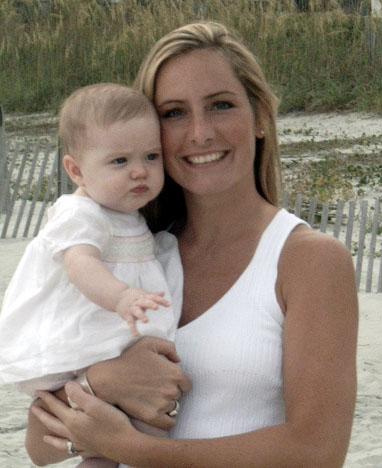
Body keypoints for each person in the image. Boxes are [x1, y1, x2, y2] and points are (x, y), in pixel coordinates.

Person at [28, 22, 358, 467]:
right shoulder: (125, 256)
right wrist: (99, 383)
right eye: (174, 113)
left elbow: (317, 452)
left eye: (220, 105)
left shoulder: (308, 260)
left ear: (259, 116)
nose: (200, 133)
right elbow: (36, 445)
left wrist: (132, 448)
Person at [0, 84, 184, 467]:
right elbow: (81, 263)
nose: (139, 171)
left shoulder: (128, 216)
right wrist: (120, 297)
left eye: (151, 156)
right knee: (112, 427)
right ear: (76, 170)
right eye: (119, 161)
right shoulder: (79, 212)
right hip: (88, 341)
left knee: (142, 425)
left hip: (114, 343)